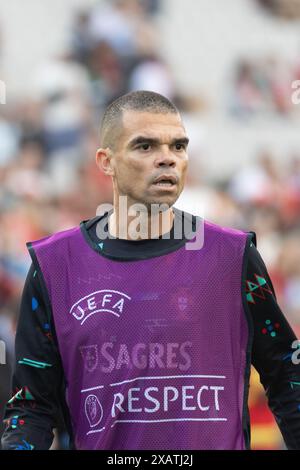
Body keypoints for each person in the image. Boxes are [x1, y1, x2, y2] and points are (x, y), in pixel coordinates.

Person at [1, 90, 300, 450]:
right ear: (105, 161)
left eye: (178, 146)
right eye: (145, 147)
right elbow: (31, 408)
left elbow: (287, 372)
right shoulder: (55, 267)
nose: (168, 159)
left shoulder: (232, 256)